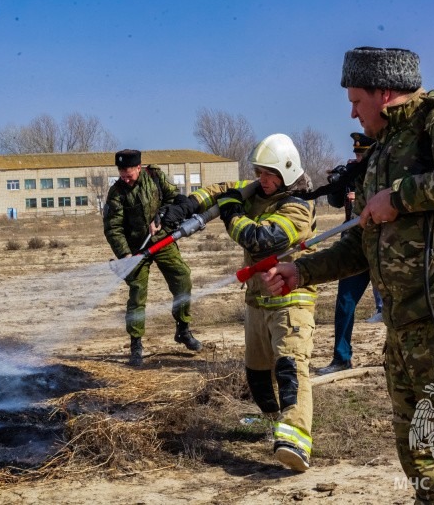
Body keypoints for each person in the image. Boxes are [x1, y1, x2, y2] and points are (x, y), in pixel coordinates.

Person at [264, 47, 434, 502]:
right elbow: (362, 244)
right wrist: (301, 271)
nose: (351, 112)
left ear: (386, 93)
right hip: (406, 326)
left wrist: (400, 197)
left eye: (357, 101)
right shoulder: (382, 150)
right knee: (419, 457)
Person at [165, 134, 317, 472]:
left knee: (291, 369)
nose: (261, 180)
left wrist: (232, 214)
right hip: (256, 300)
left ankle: (295, 440)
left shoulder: (298, 206)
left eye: (268, 175)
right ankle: (275, 423)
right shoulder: (259, 190)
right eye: (259, 173)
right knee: (258, 375)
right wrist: (188, 205)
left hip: (289, 302)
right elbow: (221, 189)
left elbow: (261, 240)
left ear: (287, 172)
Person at [103, 149, 201, 367]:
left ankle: (183, 328)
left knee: (182, 278)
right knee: (137, 295)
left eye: (129, 174)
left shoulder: (155, 177)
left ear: (139, 167)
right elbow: (113, 228)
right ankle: (136, 345)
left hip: (162, 241)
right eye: (122, 175)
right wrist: (126, 255)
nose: (126, 179)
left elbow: (175, 198)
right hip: (135, 249)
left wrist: (163, 214)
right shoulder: (116, 192)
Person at [316, 133, 383, 375]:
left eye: (362, 153)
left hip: (383, 246)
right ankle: (341, 357)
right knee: (345, 303)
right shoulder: (352, 171)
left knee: (399, 305)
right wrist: (339, 182)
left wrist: (362, 199)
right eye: (356, 153)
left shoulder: (384, 169)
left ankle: (404, 356)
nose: (358, 157)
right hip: (355, 246)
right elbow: (334, 202)